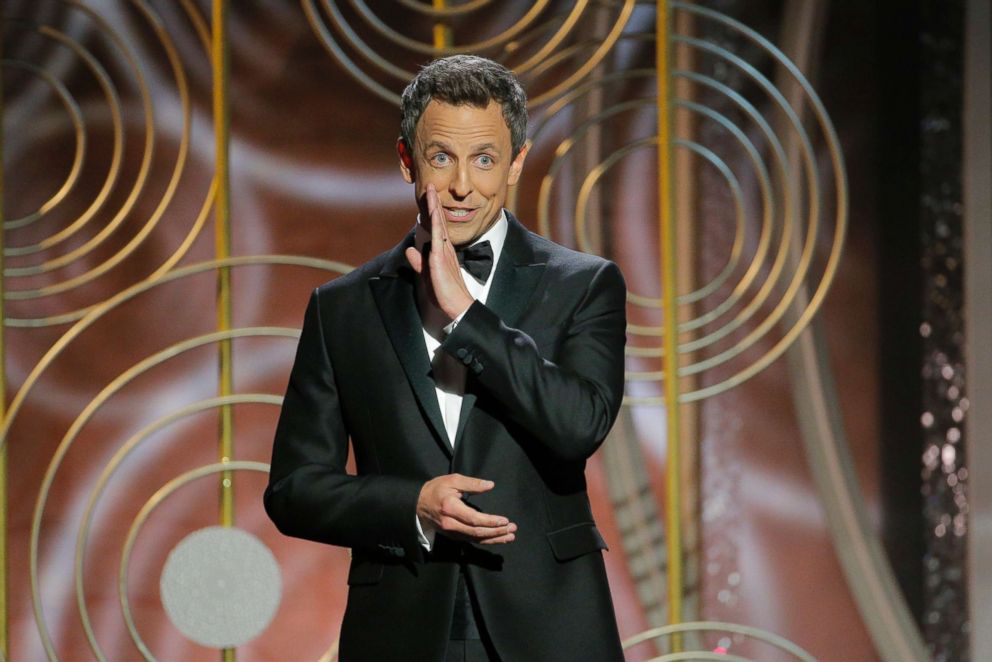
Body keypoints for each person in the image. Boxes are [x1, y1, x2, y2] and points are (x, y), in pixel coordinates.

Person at [264, 54, 627, 662]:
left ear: (515, 163)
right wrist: (412, 504)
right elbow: (295, 489)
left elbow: (579, 426)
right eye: (441, 158)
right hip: (401, 625)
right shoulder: (343, 307)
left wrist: (466, 316)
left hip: (550, 627)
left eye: (484, 159)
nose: (462, 186)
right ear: (407, 160)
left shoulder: (583, 285)